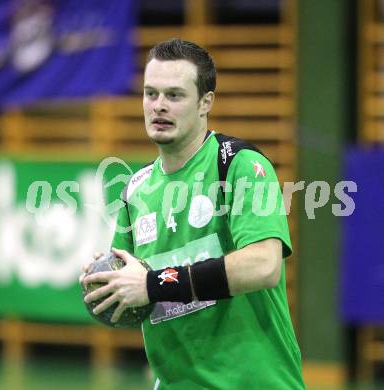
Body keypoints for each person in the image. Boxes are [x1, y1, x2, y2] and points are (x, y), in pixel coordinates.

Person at [81, 38, 306, 389]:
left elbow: (264, 266)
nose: (158, 106)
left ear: (205, 103)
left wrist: (153, 284)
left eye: (174, 95)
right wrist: (109, 285)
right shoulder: (136, 189)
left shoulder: (236, 165)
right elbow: (136, 293)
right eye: (150, 93)